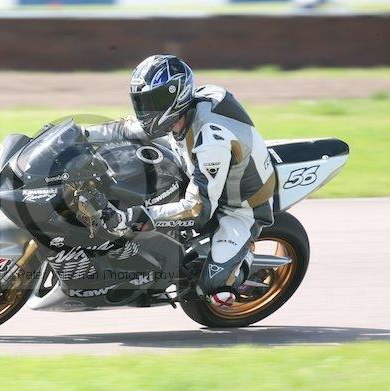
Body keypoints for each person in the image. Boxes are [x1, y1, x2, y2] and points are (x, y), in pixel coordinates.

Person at [86, 54, 275, 309]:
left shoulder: (211, 142)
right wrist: (81, 133)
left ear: (175, 98)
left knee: (213, 290)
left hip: (238, 205)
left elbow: (197, 210)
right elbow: (126, 128)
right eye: (141, 102)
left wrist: (132, 217)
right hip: (199, 169)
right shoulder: (180, 115)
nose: (144, 111)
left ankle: (244, 259)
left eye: (152, 102)